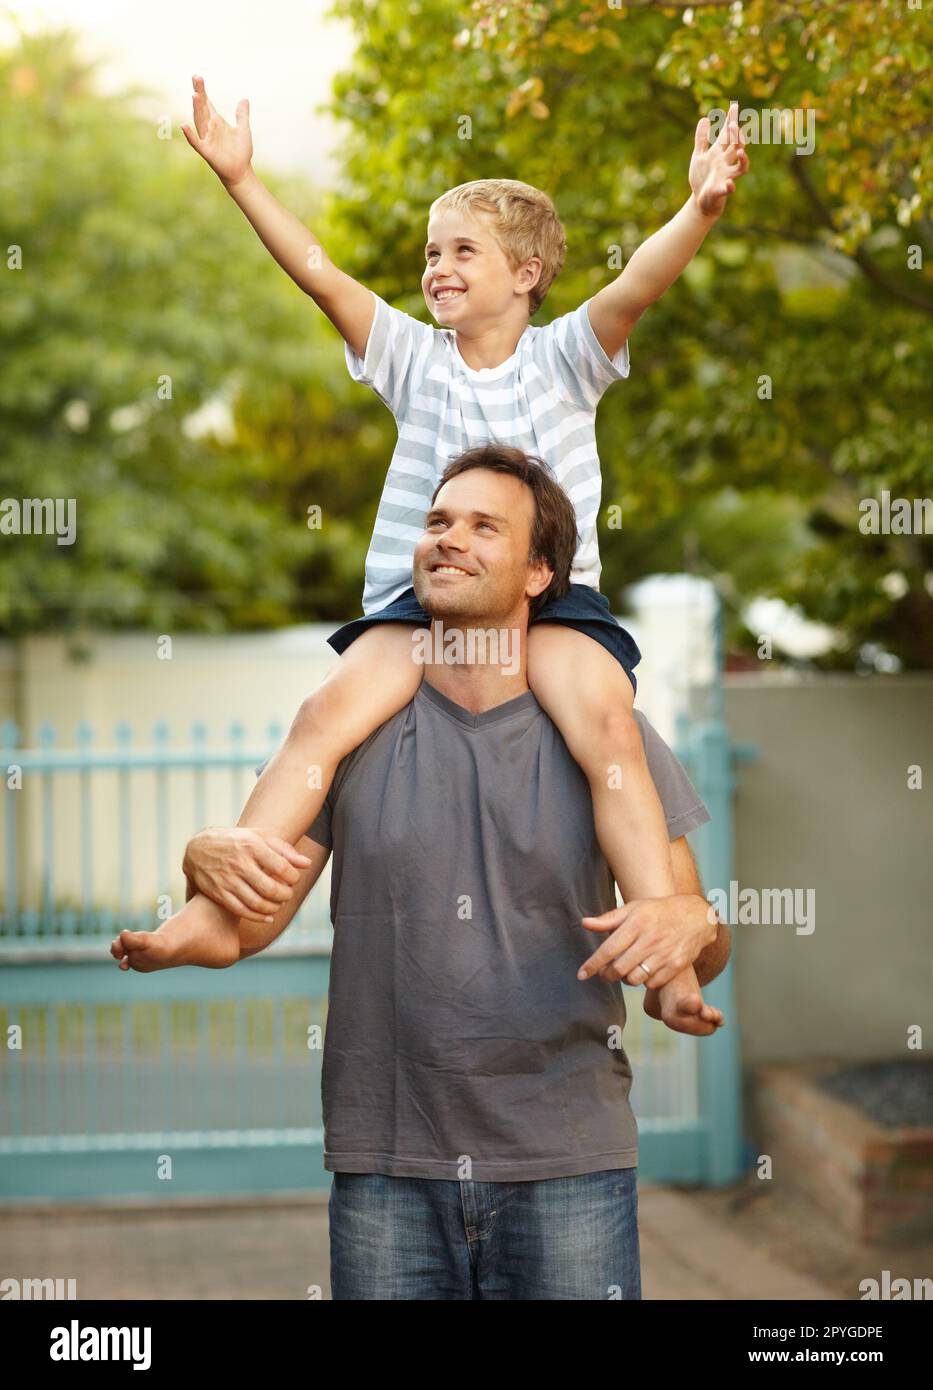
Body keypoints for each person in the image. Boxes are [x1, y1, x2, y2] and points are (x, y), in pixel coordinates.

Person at [169, 79, 749, 1005]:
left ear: (525, 274)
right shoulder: (409, 357)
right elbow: (319, 273)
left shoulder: (568, 358)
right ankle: (216, 912)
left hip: (551, 602)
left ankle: (668, 950)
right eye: (431, 252)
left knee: (605, 726)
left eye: (462, 251)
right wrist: (243, 180)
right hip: (418, 604)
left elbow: (641, 279)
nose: (437, 266)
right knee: (325, 720)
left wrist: (698, 207)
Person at [113, 454, 730, 1300]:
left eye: (485, 527)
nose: (449, 539)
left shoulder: (607, 728)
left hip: (567, 1164)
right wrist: (194, 874)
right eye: (439, 522)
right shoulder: (356, 725)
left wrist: (691, 934)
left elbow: (688, 928)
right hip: (387, 1165)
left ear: (539, 572)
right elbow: (247, 920)